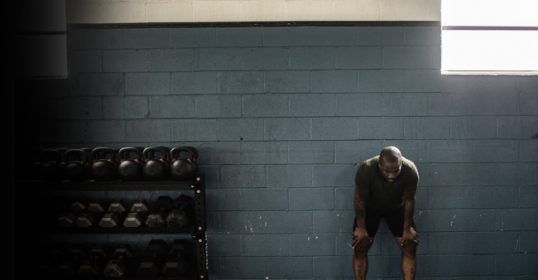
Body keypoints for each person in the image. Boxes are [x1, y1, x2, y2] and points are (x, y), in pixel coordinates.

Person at [352, 146, 419, 280]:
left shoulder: (410, 170)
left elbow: (409, 200)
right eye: (387, 171)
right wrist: (361, 227)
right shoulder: (366, 169)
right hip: (371, 209)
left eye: (396, 171)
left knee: (409, 246)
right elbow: (359, 199)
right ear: (379, 165)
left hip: (397, 209)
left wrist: (407, 229)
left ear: (401, 163)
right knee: (360, 246)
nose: (391, 176)